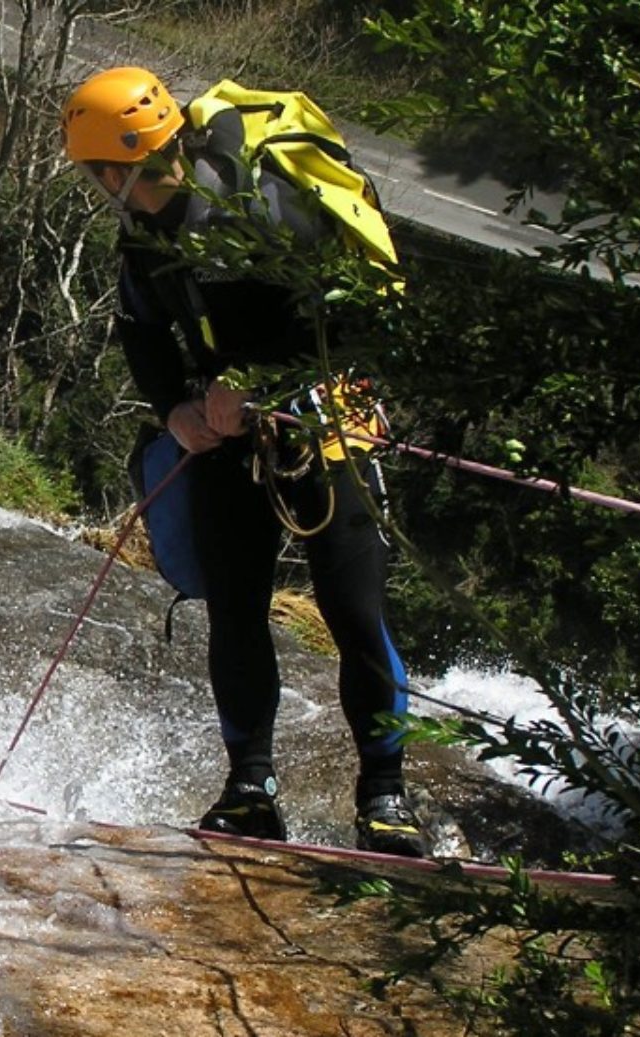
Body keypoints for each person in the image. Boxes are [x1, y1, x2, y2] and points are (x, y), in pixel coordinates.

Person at [61, 67, 426, 856]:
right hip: (229, 440)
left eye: (93, 175)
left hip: (325, 420)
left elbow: (343, 316)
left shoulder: (262, 206)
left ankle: (387, 795)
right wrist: (175, 410)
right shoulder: (143, 233)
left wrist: (251, 383)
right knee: (236, 605)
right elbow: (143, 331)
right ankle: (250, 788)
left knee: (352, 605)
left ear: (115, 171)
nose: (96, 188)